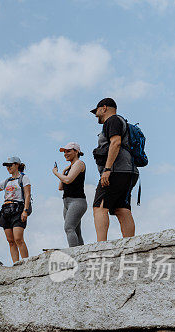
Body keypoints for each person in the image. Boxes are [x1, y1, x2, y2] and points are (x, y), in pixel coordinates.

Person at [90, 97, 138, 241]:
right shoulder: (121, 121)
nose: (95, 115)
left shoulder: (112, 121)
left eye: (96, 111)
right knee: (121, 208)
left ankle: (101, 246)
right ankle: (130, 244)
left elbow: (115, 142)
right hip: (129, 171)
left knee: (99, 207)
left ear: (104, 108)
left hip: (116, 171)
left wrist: (107, 169)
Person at [0, 156, 30, 264]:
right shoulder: (7, 180)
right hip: (6, 210)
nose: (8, 167)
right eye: (6, 166)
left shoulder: (24, 178)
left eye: (10, 165)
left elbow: (27, 195)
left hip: (18, 208)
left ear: (17, 165)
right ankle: (16, 263)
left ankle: (27, 263)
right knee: (10, 241)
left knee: (18, 238)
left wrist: (25, 210)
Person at [52, 142, 87, 247]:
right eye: (64, 152)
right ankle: (82, 253)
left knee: (68, 228)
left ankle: (73, 254)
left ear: (76, 152)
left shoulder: (79, 163)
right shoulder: (68, 168)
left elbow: (68, 180)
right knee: (76, 231)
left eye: (68, 151)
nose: (65, 154)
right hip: (66, 202)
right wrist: (62, 172)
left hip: (77, 201)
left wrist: (55, 172)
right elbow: (60, 187)